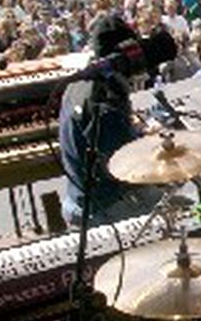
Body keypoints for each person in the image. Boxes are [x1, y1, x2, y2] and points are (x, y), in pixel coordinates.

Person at [59, 15, 162, 228]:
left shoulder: (77, 84)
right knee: (178, 206)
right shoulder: (105, 102)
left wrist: (133, 130)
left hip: (76, 195)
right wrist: (151, 140)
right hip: (103, 206)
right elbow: (127, 167)